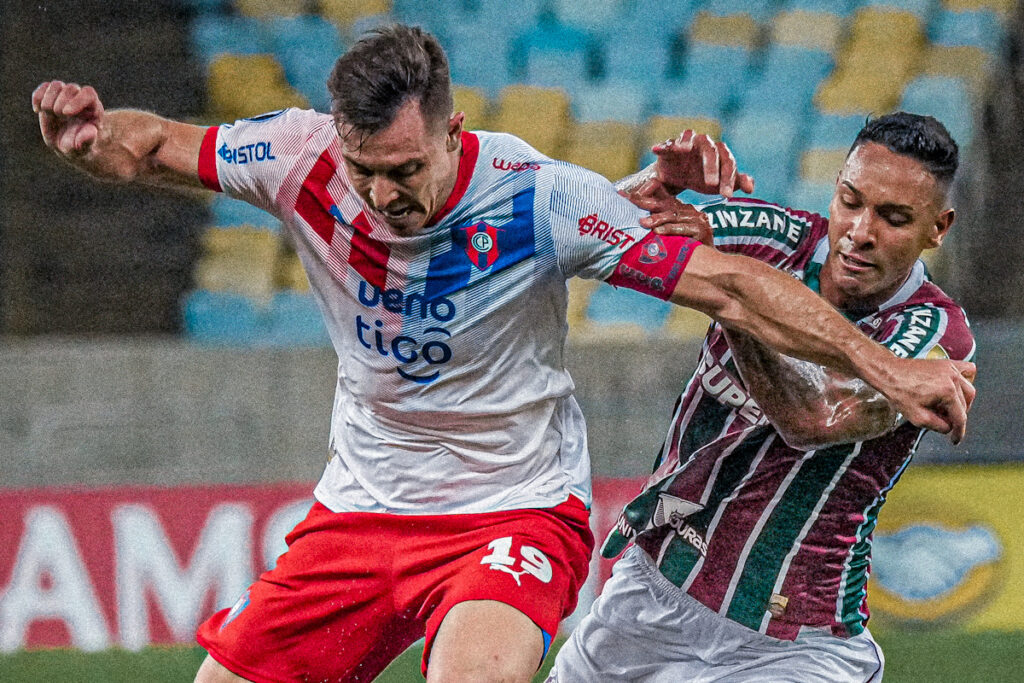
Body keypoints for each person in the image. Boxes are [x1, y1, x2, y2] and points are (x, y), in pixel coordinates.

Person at [31, 23, 973, 683]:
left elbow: (739, 306)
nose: (385, 195)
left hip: (519, 511)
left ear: (454, 130)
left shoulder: (534, 192)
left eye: (407, 170)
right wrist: (91, 138)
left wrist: (896, 373)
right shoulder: (295, 155)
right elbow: (154, 147)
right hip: (377, 508)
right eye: (366, 173)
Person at [550, 113, 976, 682]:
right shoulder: (772, 237)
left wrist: (730, 295)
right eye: (850, 201)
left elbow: (815, 416)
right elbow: (575, 229)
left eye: (894, 218)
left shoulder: (933, 335)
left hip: (795, 645)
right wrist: (656, 181)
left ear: (938, 227)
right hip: (648, 596)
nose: (860, 231)